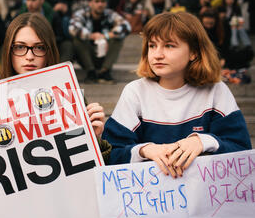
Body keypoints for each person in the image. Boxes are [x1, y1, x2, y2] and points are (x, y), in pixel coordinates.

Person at [0, 12, 112, 171]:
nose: (29, 56)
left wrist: (94, 139)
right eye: (20, 47)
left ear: (49, 50)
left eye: (39, 47)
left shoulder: (67, 95)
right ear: (8, 50)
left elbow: (90, 170)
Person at [102, 12, 252, 178]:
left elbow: (241, 151)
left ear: (193, 52)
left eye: (169, 46)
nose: (157, 54)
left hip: (203, 197)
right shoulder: (135, 92)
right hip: (151, 198)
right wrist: (144, 150)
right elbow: (111, 154)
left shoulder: (216, 90)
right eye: (152, 46)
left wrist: (203, 142)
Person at [69, 0, 131, 84]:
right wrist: (92, 36)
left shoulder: (109, 14)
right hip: (87, 55)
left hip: (104, 54)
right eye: (96, 1)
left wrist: (106, 35)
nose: (100, 4)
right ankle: (91, 72)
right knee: (77, 39)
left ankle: (105, 71)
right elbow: (73, 28)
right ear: (90, 3)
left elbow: (126, 26)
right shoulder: (81, 14)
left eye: (102, 1)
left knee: (118, 38)